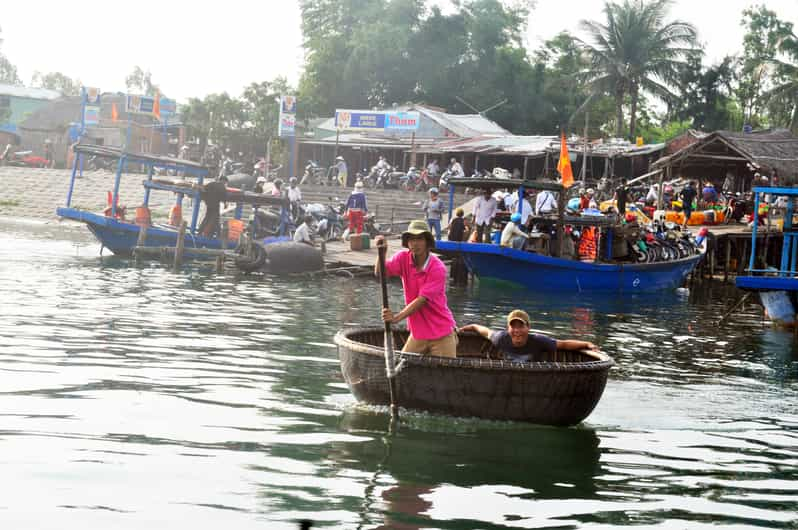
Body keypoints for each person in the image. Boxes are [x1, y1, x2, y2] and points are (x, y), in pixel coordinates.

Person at [375, 221, 458, 358]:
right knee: (402, 370)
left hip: (441, 333)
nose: (415, 243)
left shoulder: (437, 268)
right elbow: (380, 274)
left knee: (445, 376)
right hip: (418, 333)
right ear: (407, 242)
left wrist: (396, 318)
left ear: (427, 242)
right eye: (411, 239)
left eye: (420, 239)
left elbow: (421, 300)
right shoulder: (402, 258)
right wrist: (382, 254)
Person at [460, 309, 597, 363]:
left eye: (521, 326)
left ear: (528, 328)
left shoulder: (538, 341)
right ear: (508, 328)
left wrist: (587, 344)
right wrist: (470, 327)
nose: (517, 331)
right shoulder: (501, 338)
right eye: (513, 326)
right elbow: (484, 331)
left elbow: (564, 344)